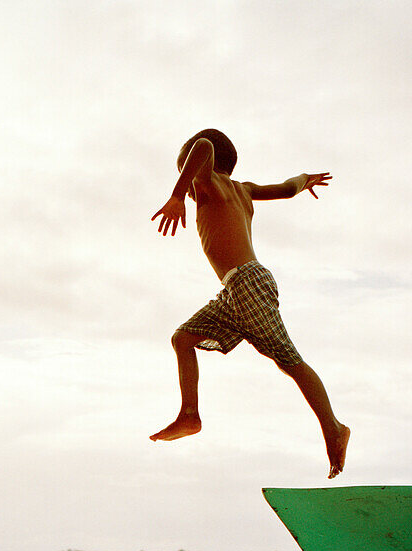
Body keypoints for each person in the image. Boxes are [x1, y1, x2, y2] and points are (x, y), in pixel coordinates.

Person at [150, 128, 350, 479]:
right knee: (183, 338)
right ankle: (189, 414)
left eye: (188, 173)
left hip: (247, 282)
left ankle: (333, 427)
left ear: (199, 170)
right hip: (236, 289)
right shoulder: (244, 191)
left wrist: (178, 194)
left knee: (289, 360)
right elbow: (287, 189)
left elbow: (203, 145)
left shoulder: (208, 184)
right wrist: (306, 180)